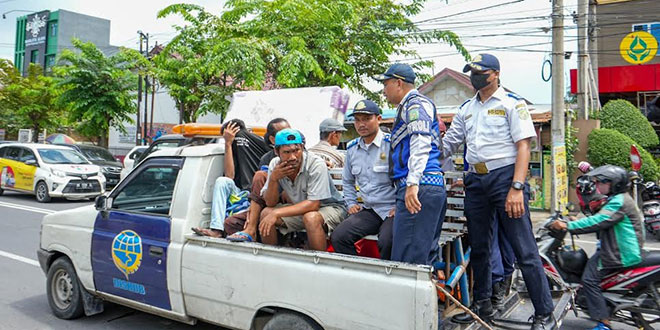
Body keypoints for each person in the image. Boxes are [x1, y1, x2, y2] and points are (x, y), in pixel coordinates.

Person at [442, 53, 554, 328]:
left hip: (506, 179)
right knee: (479, 248)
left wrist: (517, 187)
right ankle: (483, 306)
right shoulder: (466, 109)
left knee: (524, 249)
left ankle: (543, 312)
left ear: (495, 74)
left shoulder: (511, 104)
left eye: (480, 72)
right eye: (471, 72)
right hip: (476, 181)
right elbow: (448, 145)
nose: (474, 77)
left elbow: (524, 147)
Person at [550, 165, 644, 330]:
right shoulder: (618, 199)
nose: (598, 185)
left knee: (589, 280)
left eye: (601, 182)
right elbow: (600, 217)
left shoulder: (619, 201)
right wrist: (573, 220)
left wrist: (567, 225)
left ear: (613, 184)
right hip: (618, 247)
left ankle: (604, 323)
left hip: (620, 252)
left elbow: (598, 222)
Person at [374, 63, 447, 266]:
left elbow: (420, 142)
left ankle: (408, 299)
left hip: (419, 186)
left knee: (408, 260)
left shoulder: (415, 104)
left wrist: (412, 184)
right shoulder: (409, 106)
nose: (384, 90)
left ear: (398, 83)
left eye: (386, 84)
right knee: (421, 258)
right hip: (423, 185)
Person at [259, 129, 347, 251]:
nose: (293, 157)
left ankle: (319, 263)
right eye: (286, 152)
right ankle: (271, 258)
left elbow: (313, 204)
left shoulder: (315, 164)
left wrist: (277, 213)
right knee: (265, 213)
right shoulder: (275, 164)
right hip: (302, 208)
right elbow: (270, 203)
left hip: (331, 207)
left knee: (311, 218)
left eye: (296, 150)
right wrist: (274, 179)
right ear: (277, 152)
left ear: (302, 147)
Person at [331, 100, 395, 259]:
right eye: (357, 120)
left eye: (366, 119)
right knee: (339, 237)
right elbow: (347, 180)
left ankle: (386, 280)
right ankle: (359, 274)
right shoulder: (352, 149)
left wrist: (400, 205)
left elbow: (404, 178)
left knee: (387, 242)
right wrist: (352, 203)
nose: (361, 124)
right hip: (370, 210)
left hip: (393, 210)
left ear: (378, 119)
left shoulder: (392, 144)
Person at [192, 119, 268, 238]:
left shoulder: (256, 143)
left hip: (259, 194)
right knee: (222, 181)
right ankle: (217, 229)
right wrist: (228, 144)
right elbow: (229, 176)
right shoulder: (232, 147)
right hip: (241, 193)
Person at [223, 118, 291, 242]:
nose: (292, 155)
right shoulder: (268, 159)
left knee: (266, 213)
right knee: (230, 223)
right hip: (270, 200)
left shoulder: (299, 155)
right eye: (284, 133)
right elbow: (263, 192)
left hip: (291, 203)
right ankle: (251, 249)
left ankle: (252, 230)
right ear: (272, 140)